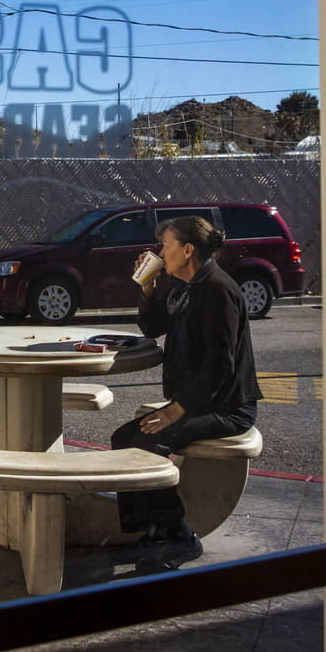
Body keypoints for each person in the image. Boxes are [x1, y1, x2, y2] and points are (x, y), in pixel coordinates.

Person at [111, 215, 263, 572]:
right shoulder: (185, 285)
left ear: (187, 249)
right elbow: (153, 327)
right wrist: (147, 287)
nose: (159, 252)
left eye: (165, 245)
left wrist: (177, 410)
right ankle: (150, 533)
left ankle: (180, 538)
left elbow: (219, 367)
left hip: (227, 406)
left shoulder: (217, 290)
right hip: (199, 401)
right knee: (123, 439)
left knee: (148, 443)